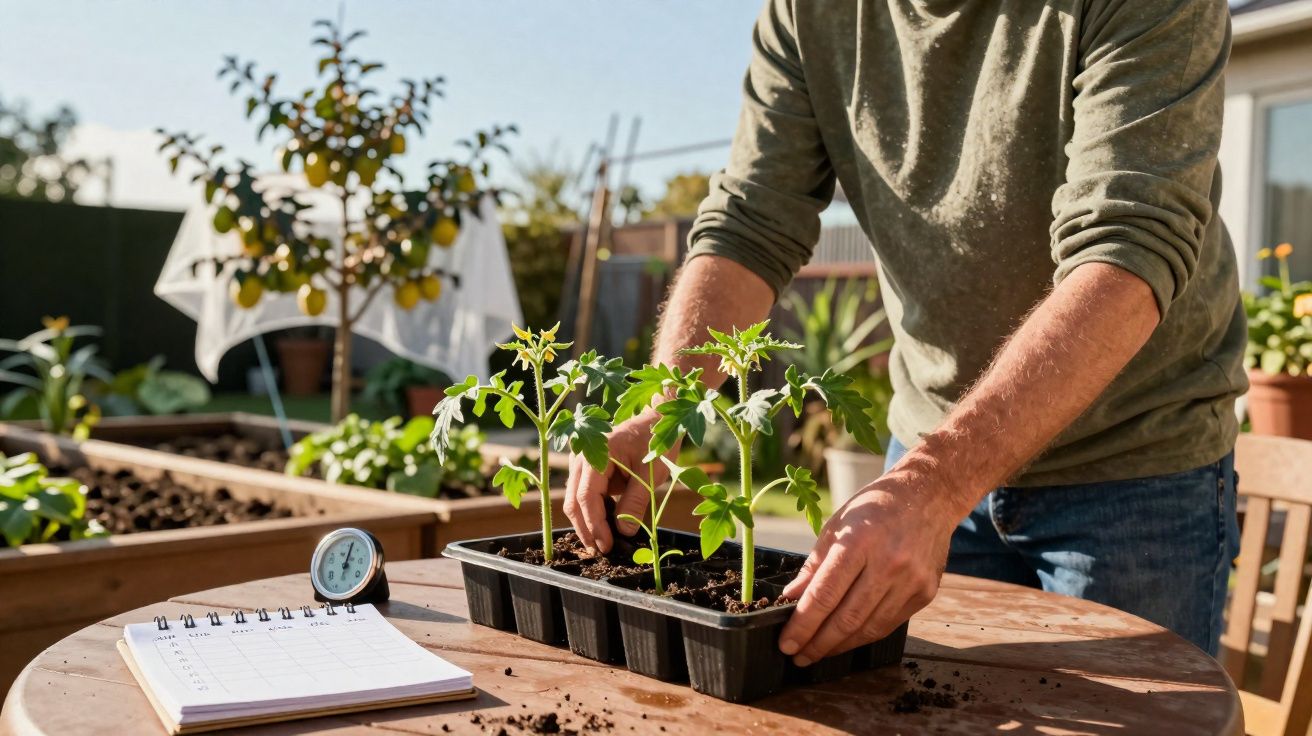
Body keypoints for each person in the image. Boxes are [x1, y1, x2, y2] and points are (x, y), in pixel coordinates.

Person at [564, 0, 1245, 662]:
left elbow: (1127, 246)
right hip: (925, 450)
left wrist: (937, 485)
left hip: (1132, 468)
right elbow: (749, 222)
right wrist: (665, 406)